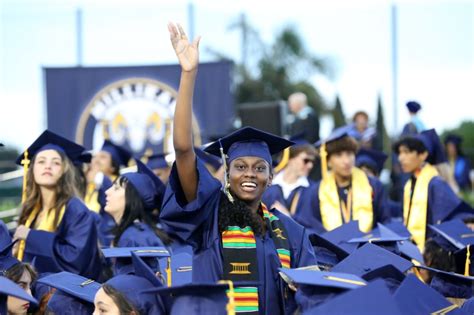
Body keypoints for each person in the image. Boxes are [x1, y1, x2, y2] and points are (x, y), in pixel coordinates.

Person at [159, 22, 316, 315]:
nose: (249, 174)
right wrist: (188, 74)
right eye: (240, 166)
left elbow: (309, 296)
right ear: (227, 173)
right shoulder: (209, 216)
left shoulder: (291, 233)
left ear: (271, 177)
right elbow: (183, 149)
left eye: (259, 168)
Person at [12, 130, 103, 280]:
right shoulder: (31, 210)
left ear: (64, 170)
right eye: (41, 161)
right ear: (32, 168)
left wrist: (31, 236)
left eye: (55, 162)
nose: (47, 166)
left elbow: (75, 261)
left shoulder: (76, 210)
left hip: (64, 299)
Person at [293, 127, 390, 234]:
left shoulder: (373, 186)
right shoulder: (316, 191)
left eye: (349, 154)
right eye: (339, 155)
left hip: (367, 247)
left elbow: (385, 223)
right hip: (330, 249)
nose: (346, 161)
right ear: (328, 161)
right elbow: (309, 226)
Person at [392, 129, 474, 252]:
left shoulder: (435, 183)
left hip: (430, 257)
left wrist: (468, 221)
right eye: (399, 153)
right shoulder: (410, 184)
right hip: (412, 252)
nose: (400, 158)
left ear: (423, 154)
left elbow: (454, 215)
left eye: (406, 152)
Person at [104, 159, 172, 274]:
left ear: (133, 198)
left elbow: (130, 288)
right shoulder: (137, 233)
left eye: (116, 188)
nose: (107, 192)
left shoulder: (133, 238)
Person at [262, 136, 317, 217]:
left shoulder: (313, 189)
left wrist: (288, 217)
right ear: (289, 158)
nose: (310, 165)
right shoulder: (267, 185)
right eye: (306, 160)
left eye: (312, 162)